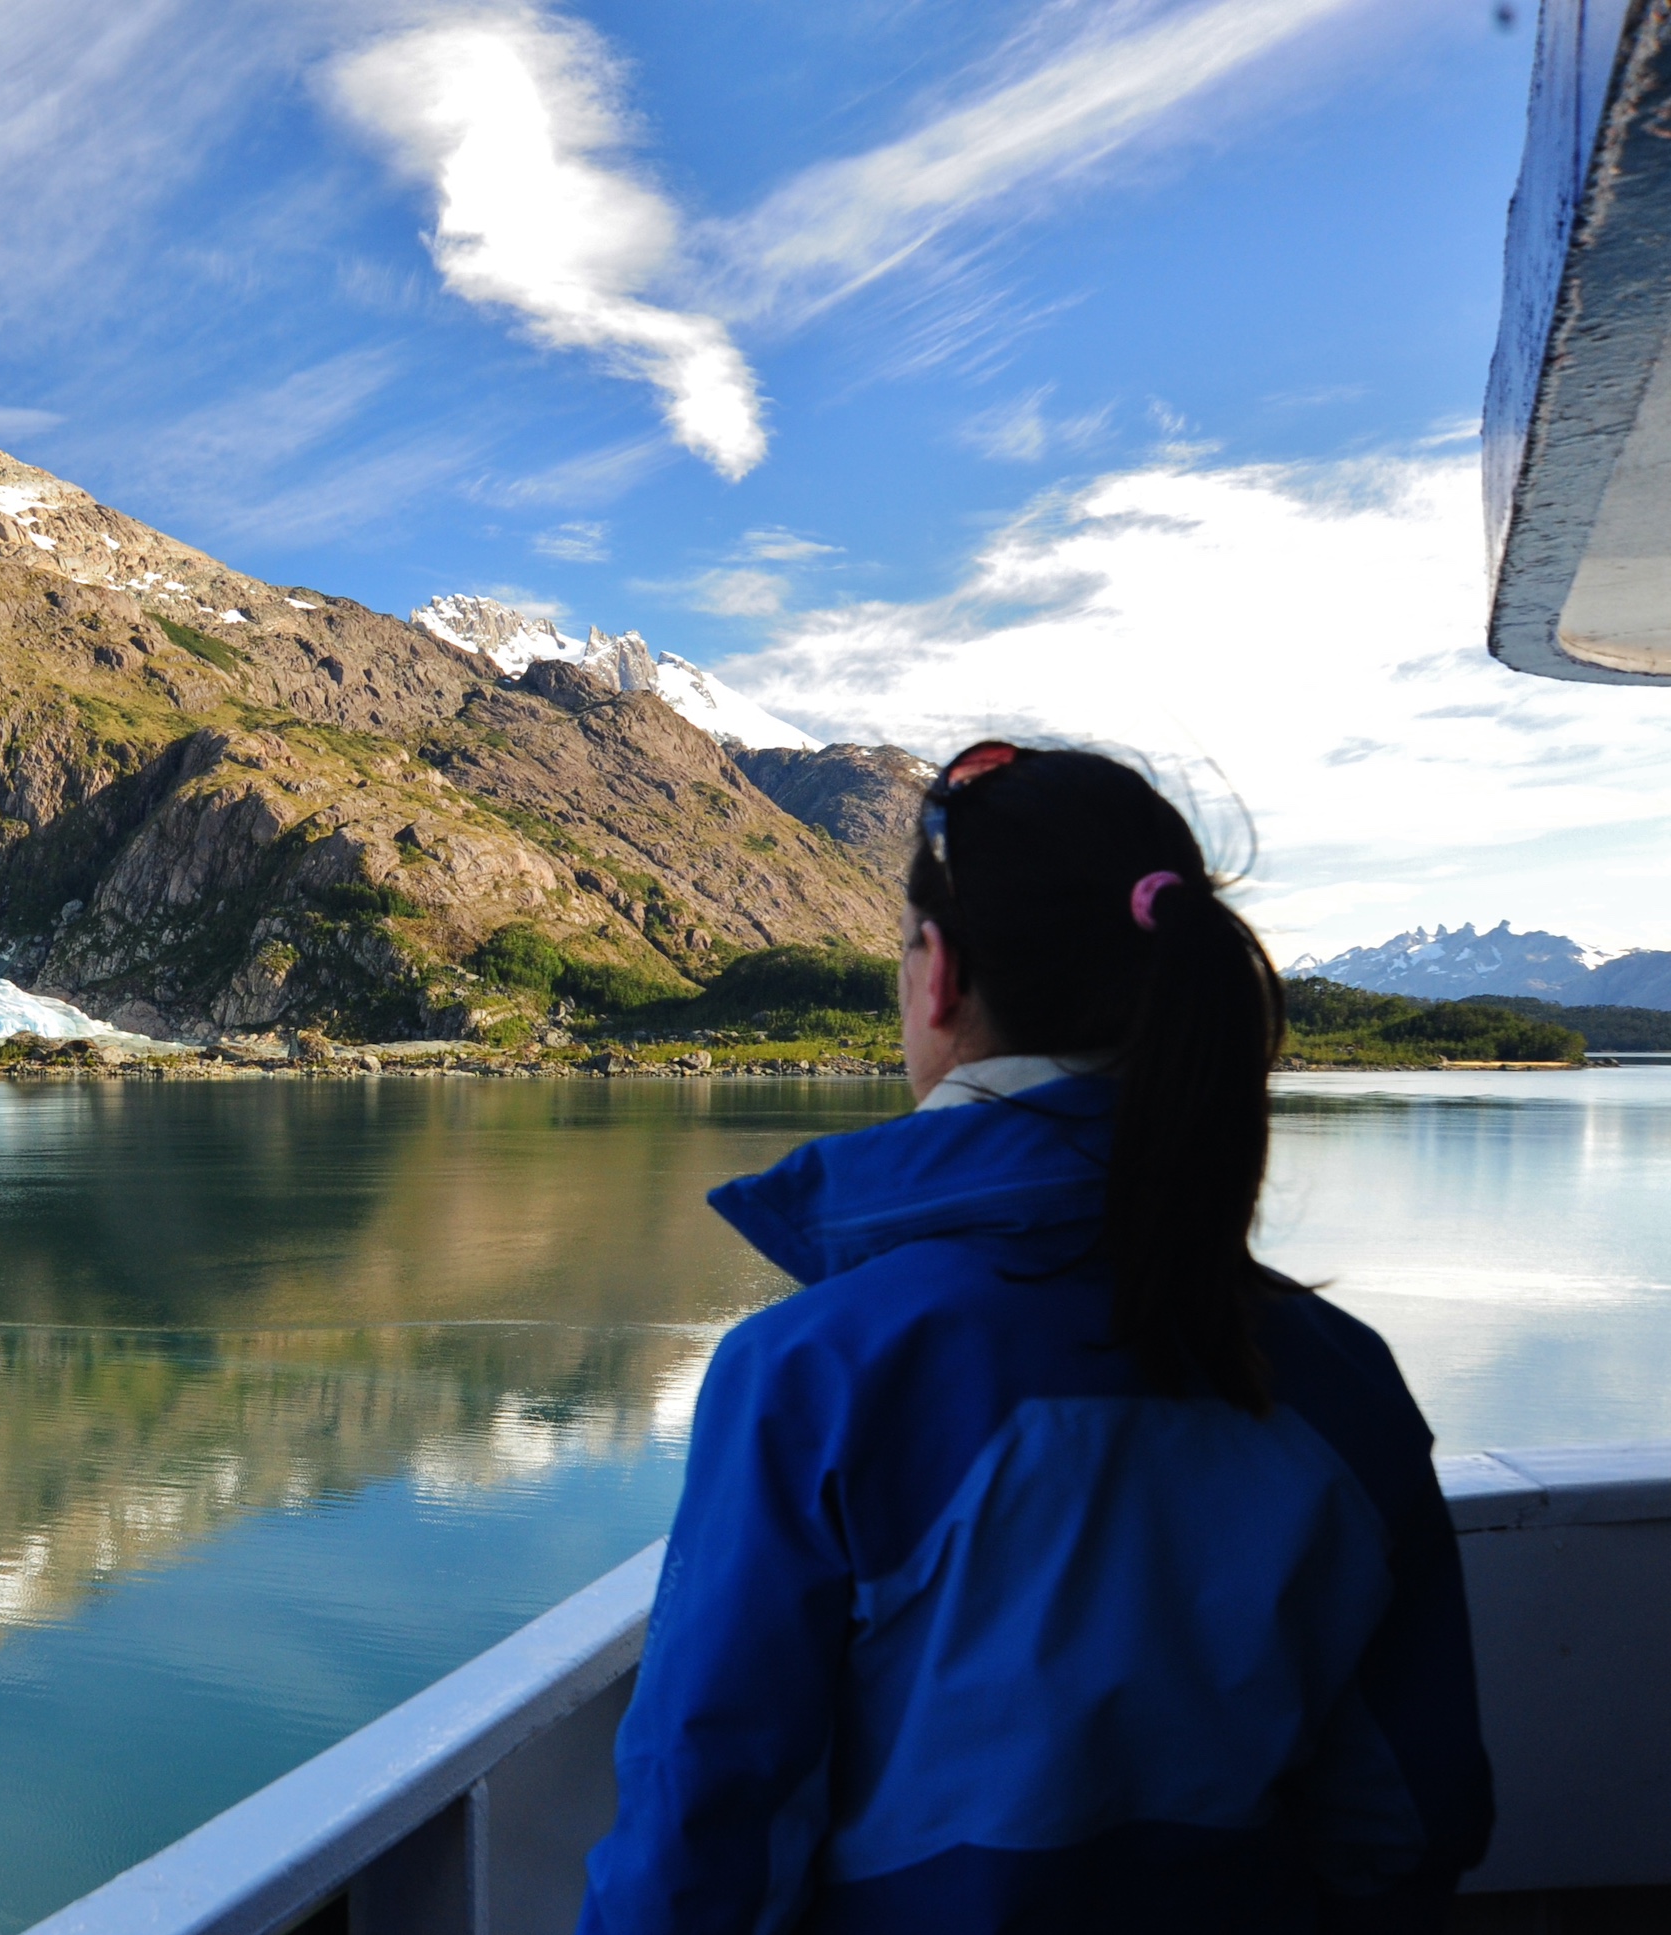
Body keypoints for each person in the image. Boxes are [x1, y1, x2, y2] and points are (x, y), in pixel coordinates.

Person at [578, 744, 1492, 1933]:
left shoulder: (814, 1374)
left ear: (940, 976)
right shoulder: (1339, 1374)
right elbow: (1406, 1826)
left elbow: (703, 1835)